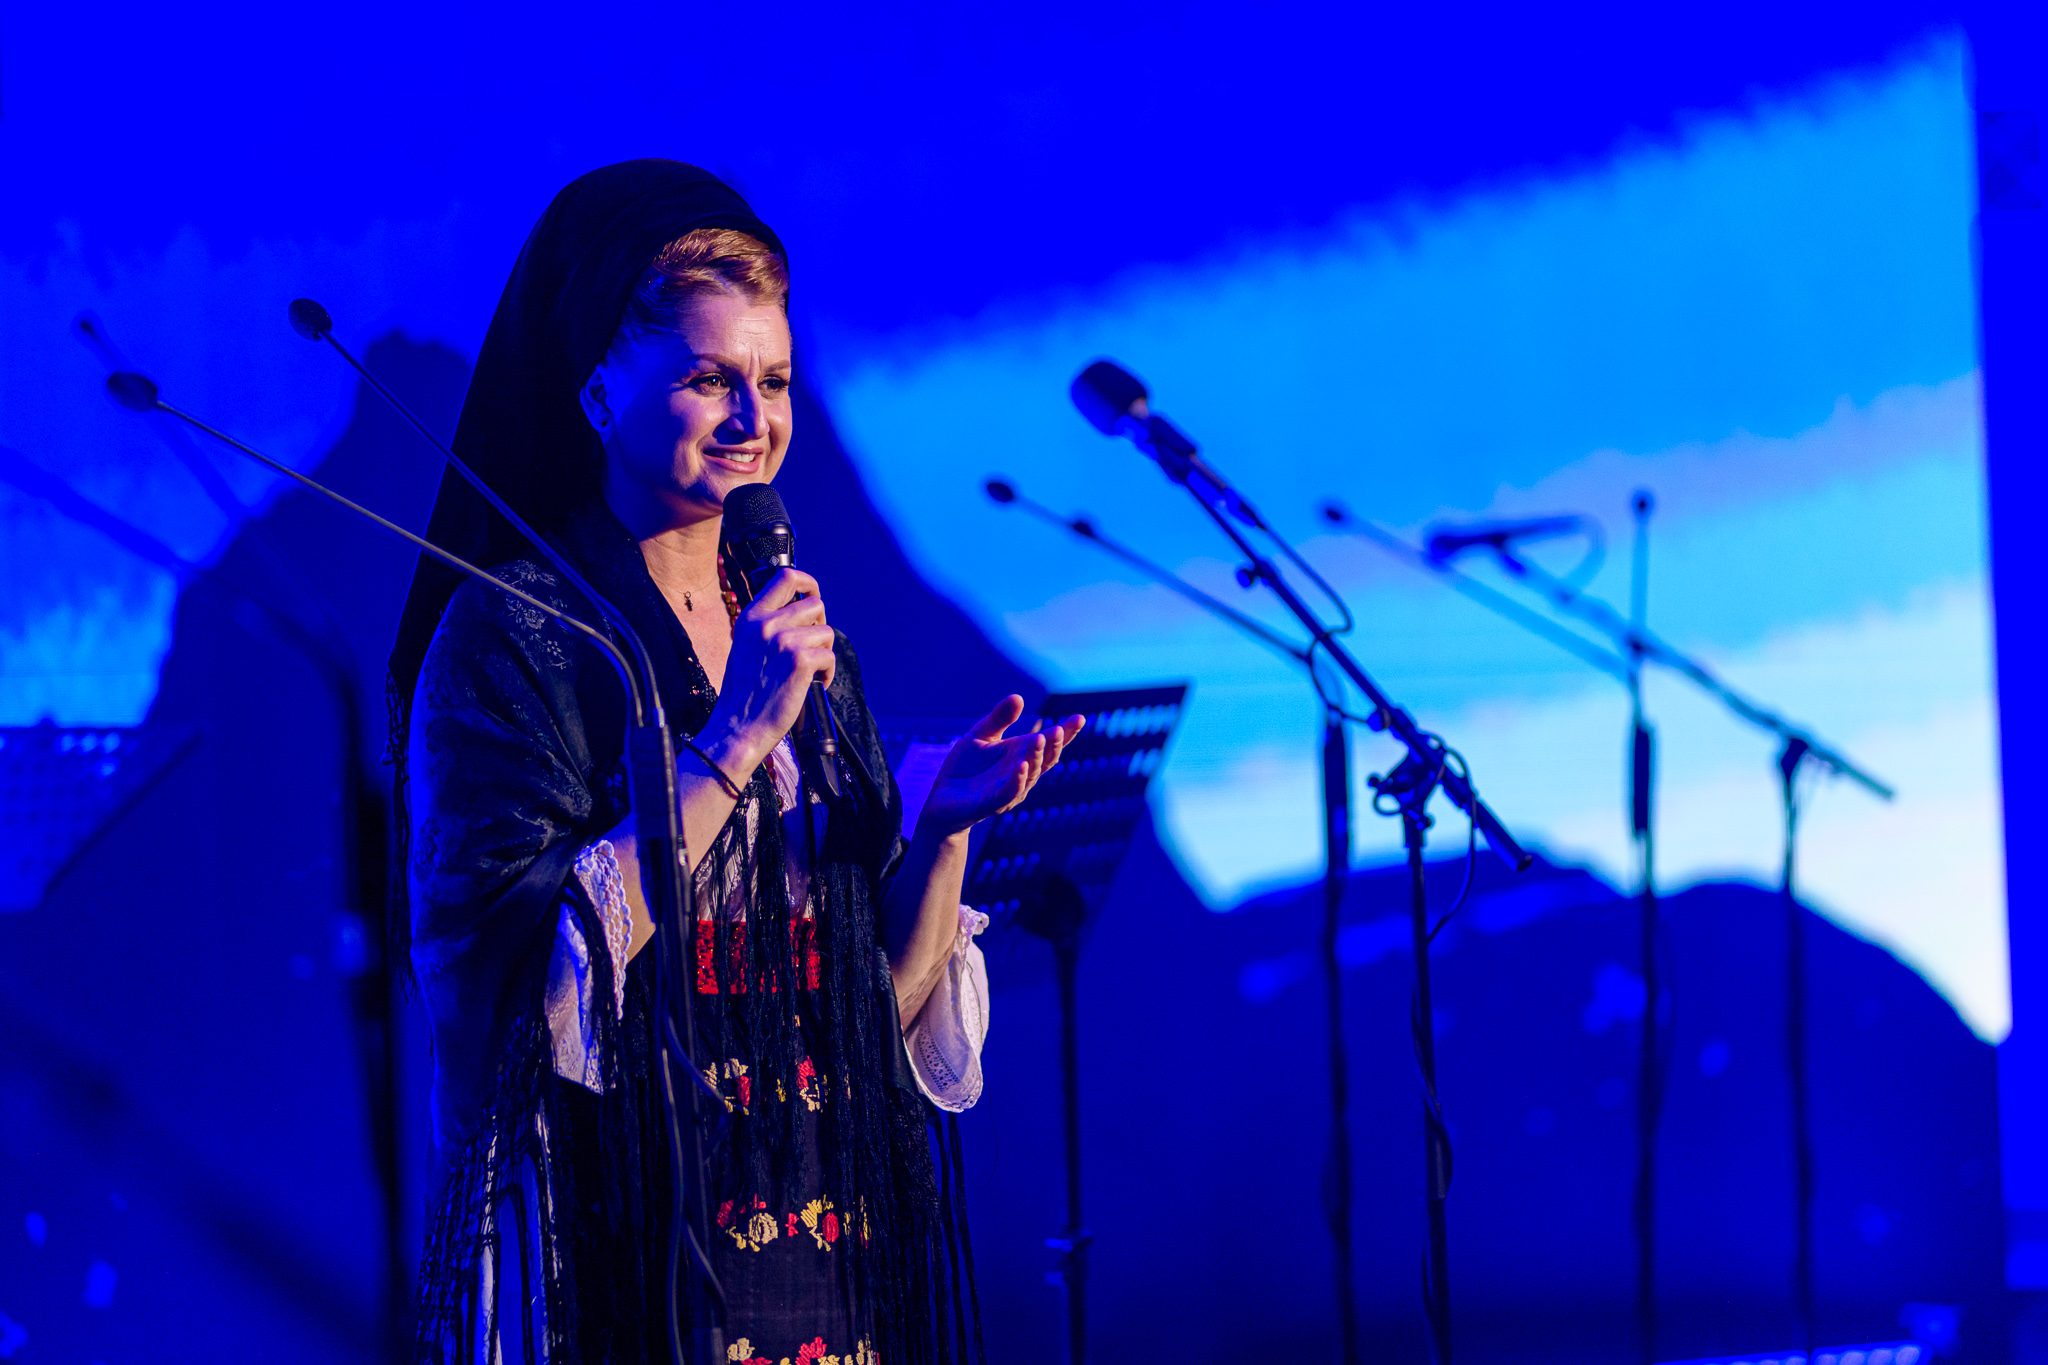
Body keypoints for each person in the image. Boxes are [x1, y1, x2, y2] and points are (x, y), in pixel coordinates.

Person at [388, 159, 1081, 1364]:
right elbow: (508, 992)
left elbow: (875, 1011)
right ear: (598, 390)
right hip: (624, 1242)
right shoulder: (514, 636)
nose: (753, 421)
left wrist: (946, 829)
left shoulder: (806, 644)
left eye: (773, 381)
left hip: (822, 1246)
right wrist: (734, 740)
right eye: (708, 379)